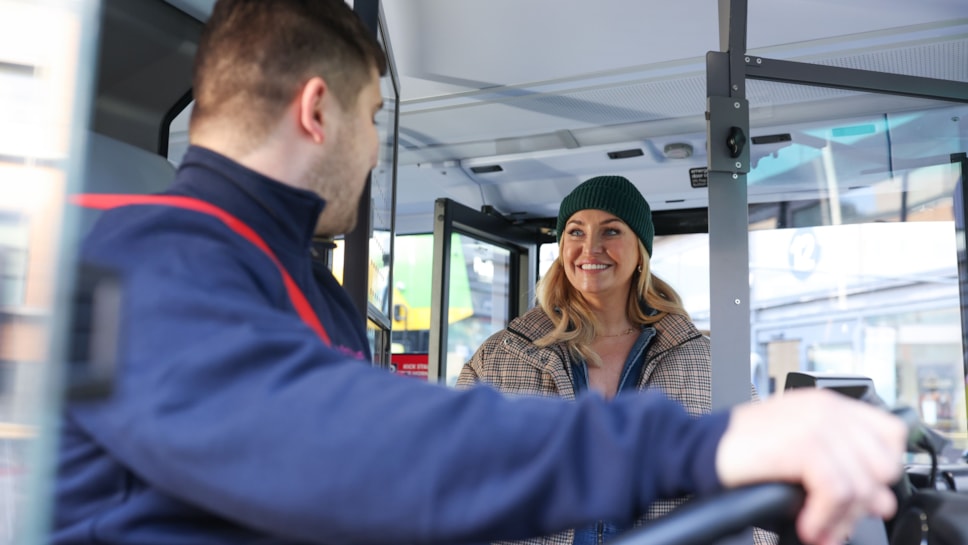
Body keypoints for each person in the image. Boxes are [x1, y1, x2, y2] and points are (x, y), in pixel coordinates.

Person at [52, 2, 907, 545]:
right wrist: (712, 442)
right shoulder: (146, 260)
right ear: (318, 110)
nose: (377, 145)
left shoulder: (295, 285)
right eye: (376, 116)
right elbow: (363, 452)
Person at [458, 175, 775, 545]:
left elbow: (758, 482)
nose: (590, 248)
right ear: (561, 247)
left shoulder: (706, 360)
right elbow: (457, 482)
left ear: (640, 249)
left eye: (610, 232)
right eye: (576, 232)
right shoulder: (501, 356)